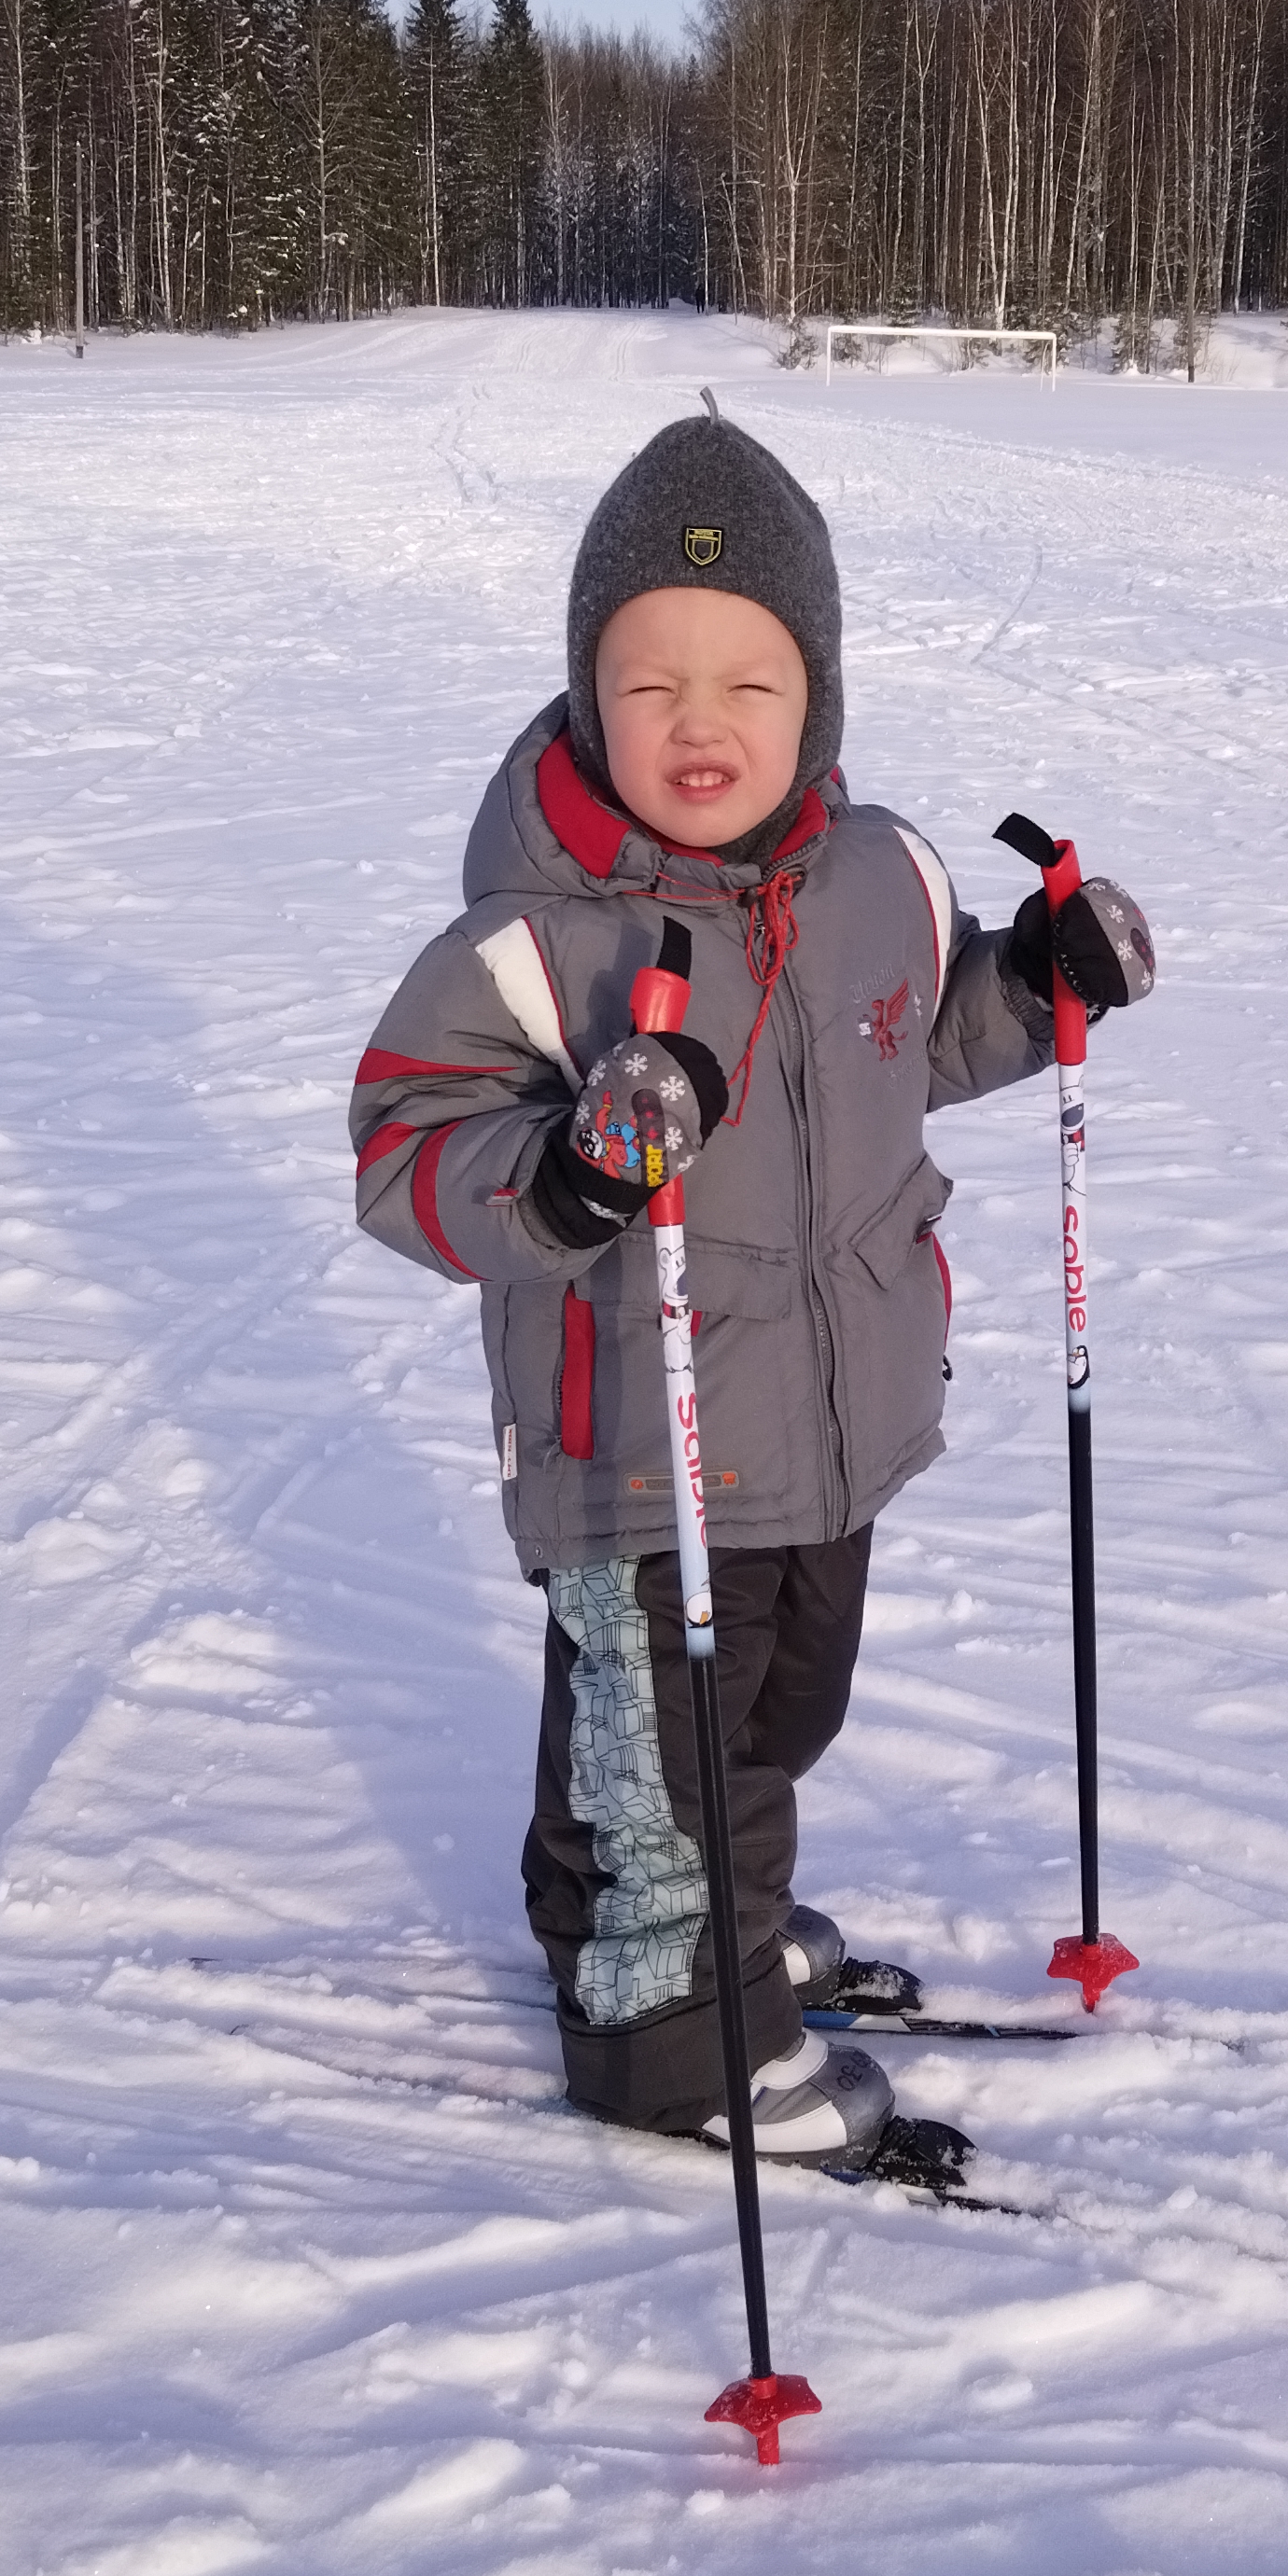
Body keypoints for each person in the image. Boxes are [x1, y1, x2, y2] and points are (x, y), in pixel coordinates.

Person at [347, 397, 1153, 2164]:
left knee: (777, 1712)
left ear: (821, 700)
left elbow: (914, 1041)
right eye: (650, 686)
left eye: (747, 683)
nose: (698, 726)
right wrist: (567, 1172)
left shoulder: (883, 879)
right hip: (643, 1442)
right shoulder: (542, 935)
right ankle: (672, 2032)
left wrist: (1047, 979)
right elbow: (409, 1154)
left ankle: (665, 1917)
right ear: (586, 699)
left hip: (836, 1418)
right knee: (681, 1744)